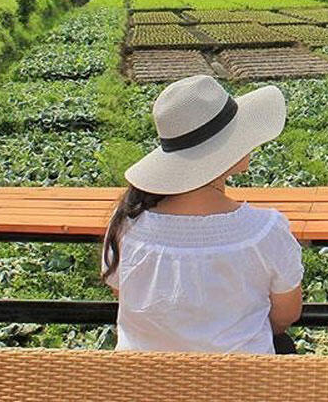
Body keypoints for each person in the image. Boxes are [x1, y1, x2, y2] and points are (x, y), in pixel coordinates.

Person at [100, 74, 303, 354]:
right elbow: (285, 316)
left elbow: (124, 295)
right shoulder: (264, 231)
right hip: (239, 385)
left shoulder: (125, 223)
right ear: (226, 151)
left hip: (143, 384)